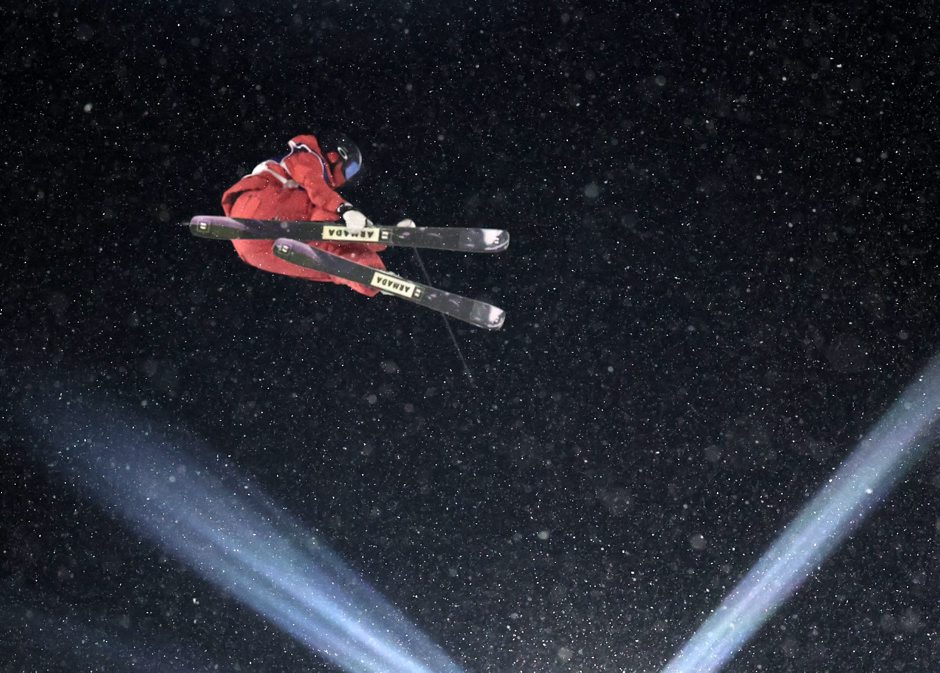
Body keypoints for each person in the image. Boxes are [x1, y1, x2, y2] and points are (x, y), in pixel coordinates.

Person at [221, 132, 389, 296]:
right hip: (259, 206)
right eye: (350, 170)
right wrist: (345, 209)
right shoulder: (307, 155)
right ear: (336, 155)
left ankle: (368, 274)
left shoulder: (311, 171)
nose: (346, 179)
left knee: (326, 261)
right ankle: (366, 236)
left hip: (251, 249)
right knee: (323, 213)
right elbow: (316, 189)